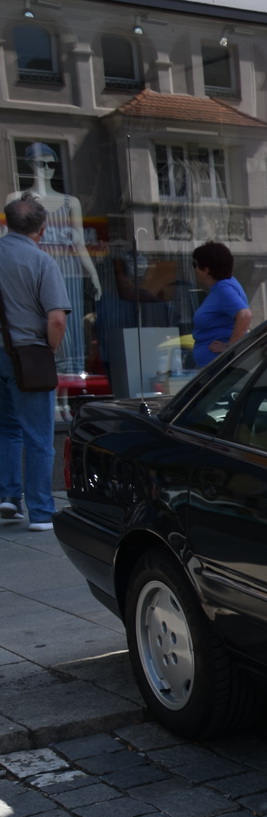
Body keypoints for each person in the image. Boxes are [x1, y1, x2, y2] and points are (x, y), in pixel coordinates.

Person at [0, 195, 69, 531]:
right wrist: (49, 351)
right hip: (29, 354)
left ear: (6, 223)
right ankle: (40, 511)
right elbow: (56, 319)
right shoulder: (42, 262)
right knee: (39, 436)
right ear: (43, 228)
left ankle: (8, 497)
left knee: (6, 429)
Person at [6, 142, 99, 377]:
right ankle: (48, 382)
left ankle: (67, 395)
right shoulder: (17, 199)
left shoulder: (71, 202)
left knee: (67, 330)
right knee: (36, 326)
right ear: (29, 165)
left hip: (67, 271)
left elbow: (79, 244)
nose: (46, 168)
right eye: (40, 163)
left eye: (51, 164)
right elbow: (6, 237)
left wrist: (94, 274)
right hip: (29, 271)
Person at [190, 241, 251, 368]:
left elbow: (245, 315)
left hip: (218, 367)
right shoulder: (228, 284)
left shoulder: (223, 289)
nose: (194, 269)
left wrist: (230, 347)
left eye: (195, 264)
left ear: (206, 269)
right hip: (215, 366)